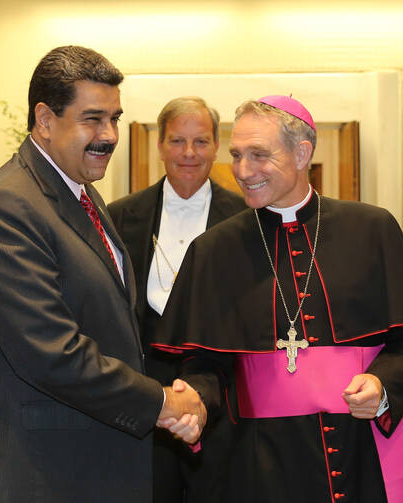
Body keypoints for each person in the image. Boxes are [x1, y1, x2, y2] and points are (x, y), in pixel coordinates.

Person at [0, 46, 203, 503]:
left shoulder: (82, 196)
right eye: (92, 119)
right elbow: (52, 353)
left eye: (114, 119)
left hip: (85, 470)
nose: (108, 136)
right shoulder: (8, 206)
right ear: (44, 121)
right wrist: (161, 402)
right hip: (34, 477)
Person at [153, 95, 403, 503]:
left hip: (360, 449)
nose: (243, 171)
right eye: (236, 155)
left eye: (259, 155)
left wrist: (382, 384)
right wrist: (195, 401)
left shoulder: (372, 230)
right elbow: (207, 366)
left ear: (302, 153)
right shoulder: (213, 250)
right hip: (254, 462)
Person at [108, 96, 247, 502]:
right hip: (142, 391)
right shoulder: (118, 216)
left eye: (201, 142)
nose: (189, 153)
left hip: (220, 395)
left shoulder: (246, 220)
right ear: (159, 145)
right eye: (177, 141)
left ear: (216, 147)